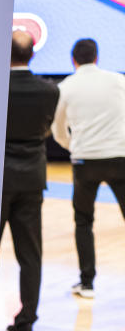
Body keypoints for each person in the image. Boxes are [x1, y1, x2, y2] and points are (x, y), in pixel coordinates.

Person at [51, 38, 125, 299]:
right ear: (97, 58)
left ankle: (87, 283)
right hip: (119, 157)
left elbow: (57, 130)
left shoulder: (66, 87)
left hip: (85, 161)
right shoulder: (118, 81)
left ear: (73, 60)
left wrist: (74, 147)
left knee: (83, 221)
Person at [0, 31, 59, 331]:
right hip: (32, 178)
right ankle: (26, 323)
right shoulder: (49, 91)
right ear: (33, 55)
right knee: (30, 254)